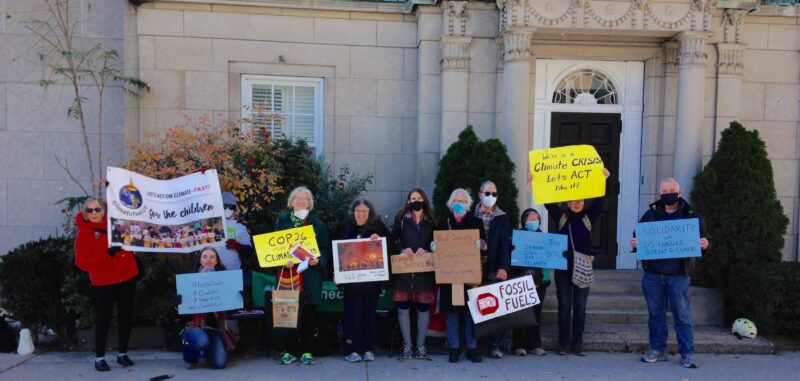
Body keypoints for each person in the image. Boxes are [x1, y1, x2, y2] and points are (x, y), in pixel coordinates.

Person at [630, 177, 709, 369]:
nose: (668, 194)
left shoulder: (691, 216)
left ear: (679, 192)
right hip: (653, 275)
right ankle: (658, 349)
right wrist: (635, 243)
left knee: (681, 315)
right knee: (655, 314)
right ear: (660, 194)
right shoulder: (651, 214)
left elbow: (704, 239)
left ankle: (687, 353)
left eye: (671, 190)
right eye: (664, 192)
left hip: (679, 275)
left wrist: (705, 244)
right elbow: (637, 237)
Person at [545, 167, 610, 356]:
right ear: (568, 201)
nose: (577, 203)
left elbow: (600, 201)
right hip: (563, 268)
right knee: (564, 306)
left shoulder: (589, 217)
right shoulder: (561, 217)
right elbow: (549, 203)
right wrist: (537, 181)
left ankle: (578, 343)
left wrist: (603, 179)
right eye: (574, 200)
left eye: (580, 200)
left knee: (580, 308)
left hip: (583, 267)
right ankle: (563, 343)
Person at [73, 198, 139, 372]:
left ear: (104, 210)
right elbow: (82, 262)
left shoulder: (116, 226)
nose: (94, 213)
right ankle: (99, 357)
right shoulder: (84, 234)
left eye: (98, 209)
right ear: (85, 214)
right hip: (104, 281)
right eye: (90, 210)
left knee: (126, 315)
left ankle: (122, 353)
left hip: (126, 277)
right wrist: (107, 255)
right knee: (104, 318)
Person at [273, 186, 331, 365]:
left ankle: (307, 350)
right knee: (287, 314)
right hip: (289, 274)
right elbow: (274, 246)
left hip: (309, 276)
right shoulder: (282, 221)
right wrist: (283, 259)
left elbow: (324, 249)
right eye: (296, 198)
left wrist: (318, 260)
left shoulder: (318, 225)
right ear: (291, 201)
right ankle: (288, 350)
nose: (300, 201)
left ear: (309, 203)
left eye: (304, 199)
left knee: (308, 316)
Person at [334, 199, 390, 363]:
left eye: (364, 211)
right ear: (353, 212)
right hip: (351, 284)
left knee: (369, 316)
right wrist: (334, 271)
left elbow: (389, 246)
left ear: (369, 213)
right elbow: (335, 250)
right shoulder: (344, 227)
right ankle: (351, 349)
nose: (361, 214)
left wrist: (378, 240)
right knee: (352, 316)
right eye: (358, 211)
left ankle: (368, 349)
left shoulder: (378, 227)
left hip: (371, 283)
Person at [436, 188, 487, 363]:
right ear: (451, 204)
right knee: (452, 312)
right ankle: (454, 348)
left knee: (470, 312)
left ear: (469, 204)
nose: (460, 204)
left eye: (464, 201)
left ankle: (472, 349)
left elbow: (485, 247)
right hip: (452, 277)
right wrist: (433, 247)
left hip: (470, 274)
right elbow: (434, 246)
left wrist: (482, 244)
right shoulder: (444, 224)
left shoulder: (476, 222)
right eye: (457, 201)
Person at [388, 188, 437, 360]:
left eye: (418, 198)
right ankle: (407, 346)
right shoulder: (401, 219)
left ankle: (421, 346)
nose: (415, 201)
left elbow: (438, 243)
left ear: (424, 200)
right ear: (408, 201)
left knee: (423, 308)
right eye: (412, 198)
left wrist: (428, 248)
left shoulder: (431, 220)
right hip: (404, 272)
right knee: (404, 307)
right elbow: (392, 241)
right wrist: (402, 249)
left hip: (424, 272)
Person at [179, 247, 236, 369]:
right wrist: (177, 301)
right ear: (200, 260)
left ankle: (206, 351)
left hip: (215, 328)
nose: (208, 260)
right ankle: (190, 358)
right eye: (205, 257)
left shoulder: (225, 280)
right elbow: (181, 313)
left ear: (216, 261)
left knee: (219, 364)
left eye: (212, 257)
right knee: (201, 341)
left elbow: (231, 311)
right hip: (194, 325)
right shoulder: (189, 280)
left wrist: (235, 297)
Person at [473, 180, 512, 358]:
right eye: (487, 193)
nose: (491, 197)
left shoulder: (502, 216)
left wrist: (503, 267)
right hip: (472, 267)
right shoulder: (470, 213)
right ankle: (475, 344)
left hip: (493, 265)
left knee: (493, 306)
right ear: (480, 194)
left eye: (494, 194)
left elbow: (505, 244)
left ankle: (494, 345)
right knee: (474, 307)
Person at [511, 208, 551, 357]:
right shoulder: (517, 237)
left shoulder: (545, 239)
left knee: (536, 314)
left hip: (539, 283)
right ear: (523, 221)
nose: (534, 222)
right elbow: (514, 261)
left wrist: (541, 281)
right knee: (521, 314)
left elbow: (548, 261)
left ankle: (535, 345)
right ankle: (519, 345)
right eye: (530, 220)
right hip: (521, 281)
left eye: (536, 220)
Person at [220, 191, 254, 270]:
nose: (227, 209)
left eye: (231, 207)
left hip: (233, 270)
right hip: (212, 270)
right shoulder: (211, 224)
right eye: (224, 206)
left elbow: (249, 250)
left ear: (235, 209)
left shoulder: (241, 227)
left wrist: (238, 246)